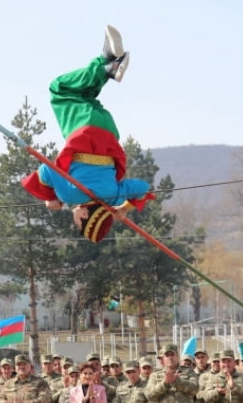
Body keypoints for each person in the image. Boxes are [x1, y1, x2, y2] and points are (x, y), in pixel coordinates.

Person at [20, 26, 152, 243]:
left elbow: (143, 188)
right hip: (85, 133)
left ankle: (109, 65)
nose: (74, 222)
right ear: (84, 216)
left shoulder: (114, 197)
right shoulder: (71, 195)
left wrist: (123, 208)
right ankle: (106, 63)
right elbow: (46, 170)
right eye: (78, 224)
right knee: (60, 89)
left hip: (108, 133)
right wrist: (50, 196)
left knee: (83, 95)